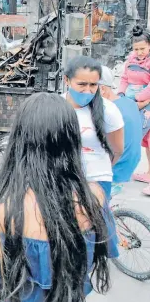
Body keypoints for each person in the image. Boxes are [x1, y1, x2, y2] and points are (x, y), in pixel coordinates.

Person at [0, 93, 119, 302]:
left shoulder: (7, 210)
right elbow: (98, 256)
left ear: (20, 141)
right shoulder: (94, 198)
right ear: (72, 140)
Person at [63, 56, 124, 201]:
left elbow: (117, 150)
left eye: (93, 85)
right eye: (82, 84)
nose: (88, 90)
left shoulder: (108, 110)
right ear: (67, 80)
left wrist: (97, 168)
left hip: (97, 180)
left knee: (97, 221)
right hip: (62, 179)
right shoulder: (56, 106)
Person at [117, 25, 150, 195]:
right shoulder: (130, 60)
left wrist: (139, 99)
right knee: (133, 137)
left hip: (145, 103)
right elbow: (124, 79)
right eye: (136, 49)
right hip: (131, 100)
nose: (139, 52)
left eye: (142, 48)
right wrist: (121, 94)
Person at [99, 66, 142, 196]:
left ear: (102, 89)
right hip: (130, 163)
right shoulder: (129, 103)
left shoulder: (107, 110)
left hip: (116, 171)